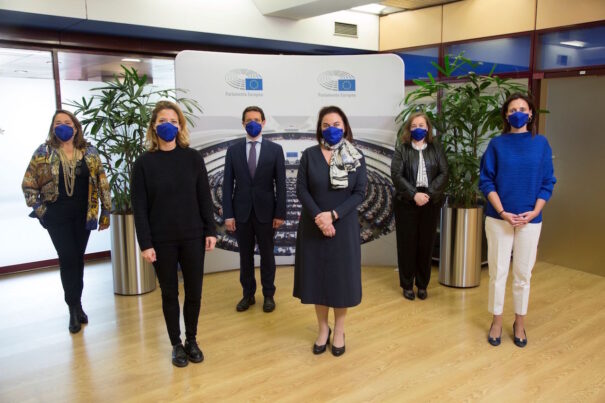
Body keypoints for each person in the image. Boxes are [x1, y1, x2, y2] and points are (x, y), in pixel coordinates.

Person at [131, 101, 217, 367]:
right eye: (162, 121)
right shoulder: (143, 164)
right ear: (154, 126)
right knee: (169, 293)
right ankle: (176, 344)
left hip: (192, 235)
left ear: (180, 126)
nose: (167, 125)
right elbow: (140, 207)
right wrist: (145, 243)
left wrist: (210, 230)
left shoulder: (192, 158)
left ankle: (192, 339)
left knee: (194, 292)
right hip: (161, 240)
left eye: (173, 120)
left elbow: (204, 197)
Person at [22, 109, 111, 334]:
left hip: (84, 216)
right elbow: (28, 183)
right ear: (53, 128)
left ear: (75, 127)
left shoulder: (89, 152)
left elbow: (102, 181)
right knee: (68, 257)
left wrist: (106, 211)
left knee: (77, 259)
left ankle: (77, 303)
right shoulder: (43, 152)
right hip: (57, 216)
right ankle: (72, 308)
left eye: (67, 122)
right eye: (58, 123)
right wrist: (40, 211)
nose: (63, 126)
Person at [479, 93, 556, 348]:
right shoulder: (496, 144)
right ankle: (497, 320)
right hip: (499, 219)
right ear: (506, 115)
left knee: (523, 274)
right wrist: (502, 211)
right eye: (513, 109)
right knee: (498, 273)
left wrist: (534, 212)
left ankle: (519, 322)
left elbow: (548, 182)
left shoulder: (541, 144)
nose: (518, 113)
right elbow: (486, 180)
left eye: (523, 108)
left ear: (531, 113)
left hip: (530, 221)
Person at [293, 105, 367, 357]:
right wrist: (320, 218)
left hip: (343, 226)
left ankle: (339, 331)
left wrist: (333, 216)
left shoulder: (356, 156)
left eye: (336, 124)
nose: (331, 129)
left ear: (345, 127)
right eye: (326, 125)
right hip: (314, 227)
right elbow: (301, 190)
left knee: (340, 281)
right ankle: (323, 329)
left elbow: (359, 193)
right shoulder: (309, 155)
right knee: (318, 279)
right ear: (319, 128)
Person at [222, 106, 286, 313]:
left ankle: (268, 295)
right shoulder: (233, 151)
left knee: (268, 255)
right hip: (241, 213)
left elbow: (281, 184)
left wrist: (280, 213)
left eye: (257, 119)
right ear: (243, 124)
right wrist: (228, 215)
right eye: (249, 119)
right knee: (245, 256)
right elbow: (227, 184)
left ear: (264, 122)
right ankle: (247, 294)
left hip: (267, 213)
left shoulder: (275, 150)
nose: (253, 123)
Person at [390, 112, 448, 301]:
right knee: (407, 245)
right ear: (409, 128)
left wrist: (428, 194)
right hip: (407, 202)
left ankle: (422, 285)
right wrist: (414, 194)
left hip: (430, 202)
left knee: (426, 245)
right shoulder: (402, 149)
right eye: (414, 126)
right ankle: (407, 285)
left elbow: (444, 173)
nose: (418, 129)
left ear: (428, 128)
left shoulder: (436, 148)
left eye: (421, 125)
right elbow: (396, 175)